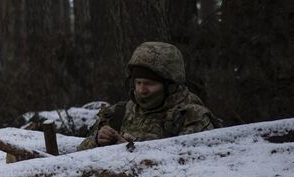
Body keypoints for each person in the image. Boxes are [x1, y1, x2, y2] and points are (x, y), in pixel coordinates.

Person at [80, 41, 218, 149]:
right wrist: (98, 141)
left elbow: (196, 165)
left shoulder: (191, 117)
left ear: (170, 85)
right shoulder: (118, 113)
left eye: (149, 83)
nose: (141, 90)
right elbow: (78, 157)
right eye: (138, 82)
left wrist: (133, 150)